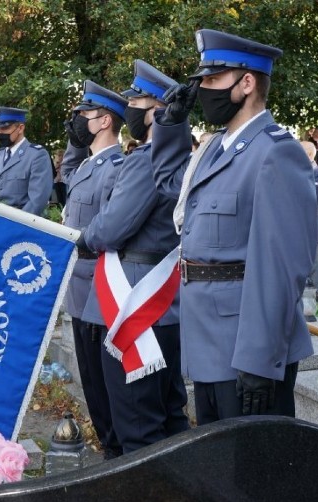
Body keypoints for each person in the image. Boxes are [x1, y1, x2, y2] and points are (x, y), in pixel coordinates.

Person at [151, 29, 317, 423]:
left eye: (212, 80)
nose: (204, 90)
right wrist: (170, 126)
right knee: (220, 472)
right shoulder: (213, 149)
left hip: (246, 349)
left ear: (246, 83)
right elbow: (171, 185)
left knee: (253, 475)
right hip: (209, 340)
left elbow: (280, 268)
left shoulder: (276, 153)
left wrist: (259, 359)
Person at [78, 60, 189, 454]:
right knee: (167, 413)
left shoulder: (147, 159)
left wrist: (83, 238)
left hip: (133, 300)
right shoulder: (173, 157)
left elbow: (111, 228)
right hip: (160, 299)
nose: (130, 108)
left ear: (158, 110)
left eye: (138, 101)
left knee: (137, 424)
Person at [61, 81, 128, 459]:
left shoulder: (115, 167)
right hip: (79, 287)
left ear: (104, 121)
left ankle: (115, 452)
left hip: (98, 286)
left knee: (104, 383)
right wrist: (76, 136)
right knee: (89, 379)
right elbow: (68, 173)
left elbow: (107, 229)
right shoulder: (89, 164)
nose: (76, 121)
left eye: (83, 115)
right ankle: (108, 445)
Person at [0, 106, 53, 215]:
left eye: (5, 128)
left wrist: (16, 224)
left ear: (20, 128)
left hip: (20, 223)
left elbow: (37, 200)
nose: (0, 132)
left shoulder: (36, 155)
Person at [300, 140, 318, 297]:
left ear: (309, 155)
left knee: (313, 269)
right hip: (298, 229)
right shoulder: (296, 173)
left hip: (312, 229)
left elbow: (314, 201)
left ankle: (314, 303)